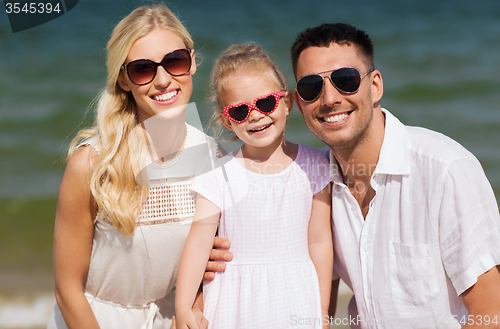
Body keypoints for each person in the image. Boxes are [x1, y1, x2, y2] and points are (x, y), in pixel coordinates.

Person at [206, 23, 500, 328]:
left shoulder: (445, 170)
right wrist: (215, 259)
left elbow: (492, 313)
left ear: (375, 86)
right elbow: (314, 297)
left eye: (345, 80)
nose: (330, 98)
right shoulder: (312, 180)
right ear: (297, 101)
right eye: (311, 87)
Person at [47, 4, 212, 329]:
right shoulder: (92, 163)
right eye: (142, 69)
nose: (163, 80)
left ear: (192, 62)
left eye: (175, 61)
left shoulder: (211, 155)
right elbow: (68, 292)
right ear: (124, 79)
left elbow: (204, 269)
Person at [174, 44, 333, 329]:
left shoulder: (314, 165)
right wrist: (183, 306)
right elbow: (198, 243)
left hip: (296, 298)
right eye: (239, 111)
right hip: (234, 304)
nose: (256, 115)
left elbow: (320, 241)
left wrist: (322, 314)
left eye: (266, 103)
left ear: (286, 103)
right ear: (226, 120)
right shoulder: (218, 175)